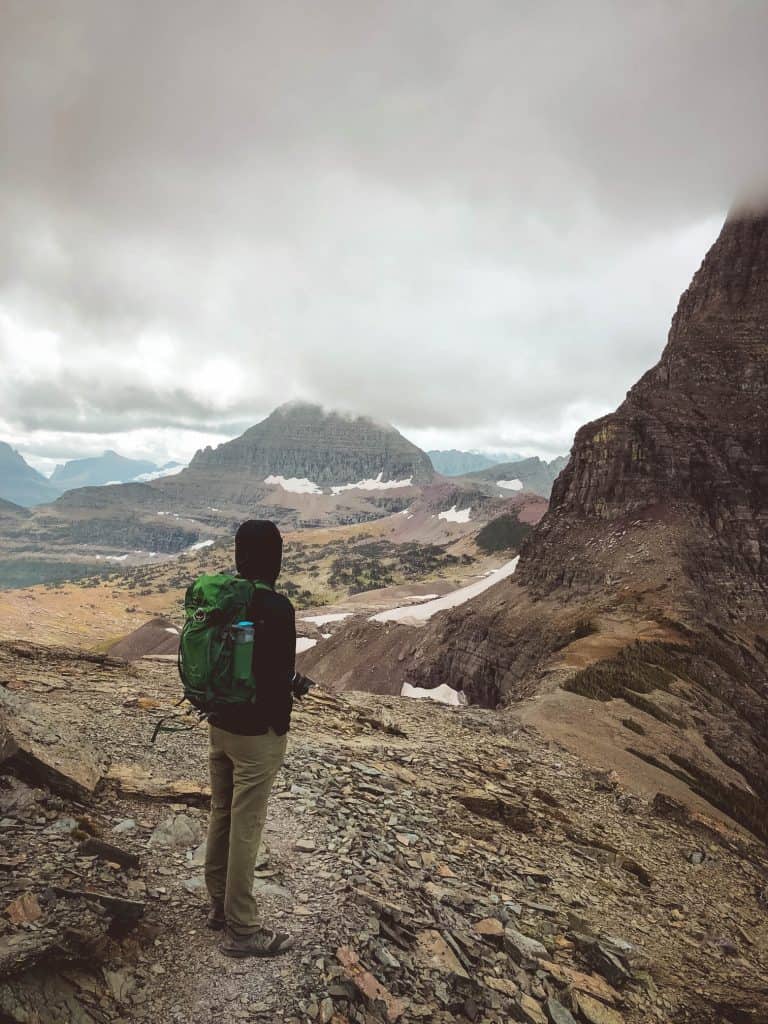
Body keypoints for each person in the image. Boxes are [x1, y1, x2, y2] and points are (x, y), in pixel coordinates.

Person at [204, 519, 309, 957]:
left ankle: (217, 907)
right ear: (274, 557)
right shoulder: (278, 608)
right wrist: (293, 684)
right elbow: (275, 675)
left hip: (219, 725)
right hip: (257, 736)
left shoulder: (222, 599)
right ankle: (243, 931)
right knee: (247, 827)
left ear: (239, 554)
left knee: (220, 813)